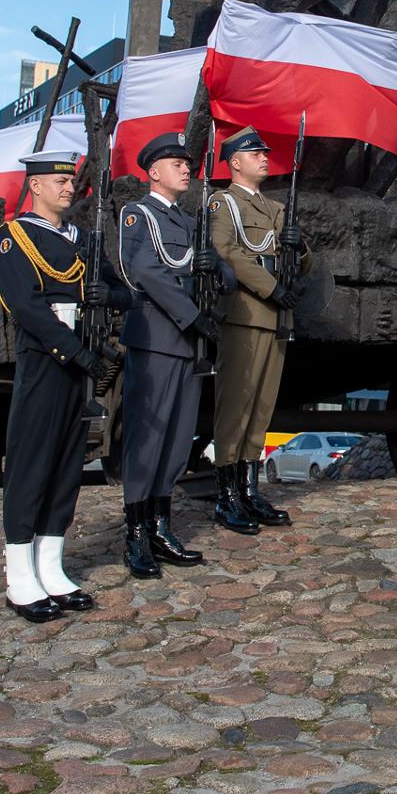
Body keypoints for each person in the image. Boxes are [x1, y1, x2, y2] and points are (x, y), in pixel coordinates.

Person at [0, 149, 134, 623]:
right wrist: (76, 354)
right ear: (34, 186)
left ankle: (50, 565)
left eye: (70, 181)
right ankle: (19, 575)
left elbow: (123, 291)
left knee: (67, 466)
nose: (68, 188)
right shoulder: (14, 237)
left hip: (81, 362)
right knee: (32, 462)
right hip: (48, 360)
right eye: (57, 181)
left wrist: (103, 295)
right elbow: (26, 306)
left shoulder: (80, 239)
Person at [117, 131, 228, 579]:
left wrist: (217, 274)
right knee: (148, 438)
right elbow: (145, 271)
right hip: (157, 337)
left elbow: (217, 269)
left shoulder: (189, 222)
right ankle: (136, 532)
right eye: (176, 162)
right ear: (154, 171)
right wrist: (192, 316)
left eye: (187, 162)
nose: (186, 167)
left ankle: (161, 526)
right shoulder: (137, 216)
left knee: (178, 438)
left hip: (187, 342)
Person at [208, 128, 303, 533]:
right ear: (235, 162)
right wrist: (271, 287)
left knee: (262, 407)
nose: (265, 158)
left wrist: (300, 248)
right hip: (245, 313)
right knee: (236, 407)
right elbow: (226, 251)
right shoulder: (222, 203)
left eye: (264, 153)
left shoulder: (277, 209)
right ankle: (226, 496)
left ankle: (249, 490)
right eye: (255, 153)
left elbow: (299, 263)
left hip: (276, 317)